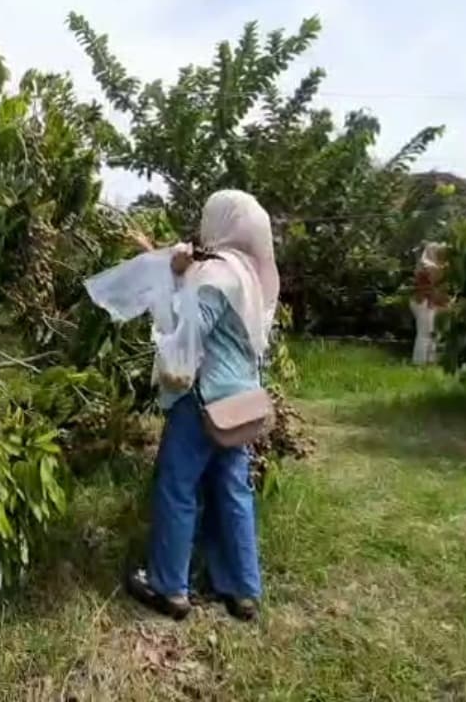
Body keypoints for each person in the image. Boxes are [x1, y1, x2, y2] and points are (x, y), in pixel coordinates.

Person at [124, 190, 280, 622]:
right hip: (241, 401)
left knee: (178, 488)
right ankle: (241, 589)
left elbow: (187, 329)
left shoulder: (216, 275)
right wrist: (171, 267)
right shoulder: (257, 276)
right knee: (234, 489)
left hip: (202, 399)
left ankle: (169, 587)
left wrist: (171, 286)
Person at [410, 242, 447, 366]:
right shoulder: (428, 266)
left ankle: (430, 361)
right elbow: (434, 281)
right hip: (424, 302)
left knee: (432, 333)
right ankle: (420, 362)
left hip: (428, 302)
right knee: (425, 333)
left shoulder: (430, 265)